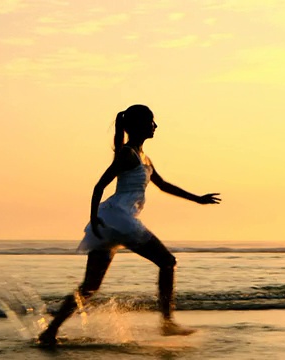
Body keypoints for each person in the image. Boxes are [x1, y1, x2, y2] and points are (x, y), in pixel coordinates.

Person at [38, 104, 221, 346]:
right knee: (167, 262)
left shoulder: (144, 157)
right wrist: (93, 219)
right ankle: (166, 323)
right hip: (120, 220)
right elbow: (99, 186)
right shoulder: (127, 154)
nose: (155, 126)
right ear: (138, 126)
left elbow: (163, 185)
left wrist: (198, 199)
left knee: (90, 287)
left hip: (110, 222)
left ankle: (50, 331)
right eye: (151, 122)